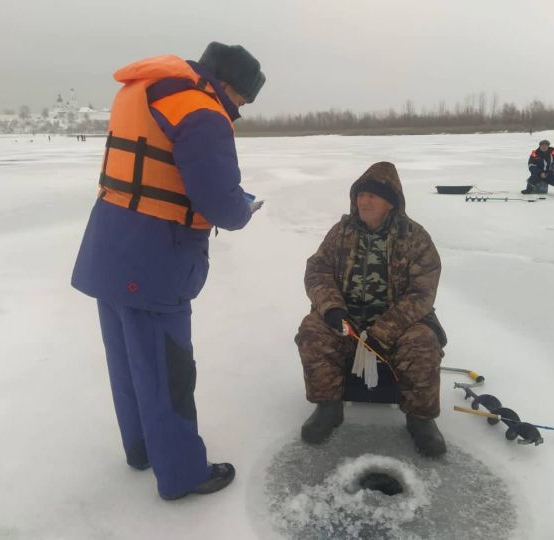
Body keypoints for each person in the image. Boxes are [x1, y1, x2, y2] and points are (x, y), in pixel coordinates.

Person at [71, 42, 265, 500]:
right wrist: (245, 208)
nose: (239, 109)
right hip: (155, 264)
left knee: (129, 365)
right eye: (243, 100)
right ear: (231, 85)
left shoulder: (144, 90)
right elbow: (222, 205)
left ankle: (142, 450)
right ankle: (181, 473)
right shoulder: (203, 112)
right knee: (167, 372)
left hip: (109, 251)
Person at [295, 162, 448, 457]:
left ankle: (420, 419)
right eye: (360, 195)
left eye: (372, 197)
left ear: (390, 203)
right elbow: (318, 271)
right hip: (348, 319)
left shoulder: (415, 238)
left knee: (422, 344)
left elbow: (422, 292)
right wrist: (331, 309)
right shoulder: (340, 232)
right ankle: (328, 407)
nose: (363, 202)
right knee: (312, 331)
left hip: (400, 323)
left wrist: (383, 331)